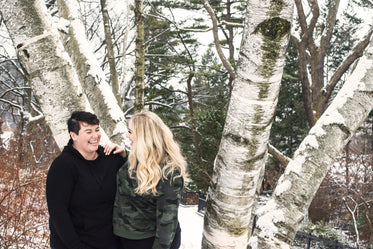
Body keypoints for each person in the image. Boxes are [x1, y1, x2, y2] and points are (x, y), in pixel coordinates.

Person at [46, 111, 127, 249]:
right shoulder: (62, 166)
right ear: (74, 135)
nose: (95, 136)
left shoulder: (110, 158)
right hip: (73, 244)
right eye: (88, 132)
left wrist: (125, 155)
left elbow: (140, 174)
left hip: (109, 242)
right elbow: (58, 213)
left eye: (97, 130)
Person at [113, 111, 187, 249]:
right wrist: (124, 155)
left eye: (130, 132)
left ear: (143, 136)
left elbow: (167, 220)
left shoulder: (169, 172)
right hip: (124, 237)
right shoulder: (136, 158)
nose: (127, 135)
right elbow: (140, 174)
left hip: (147, 241)